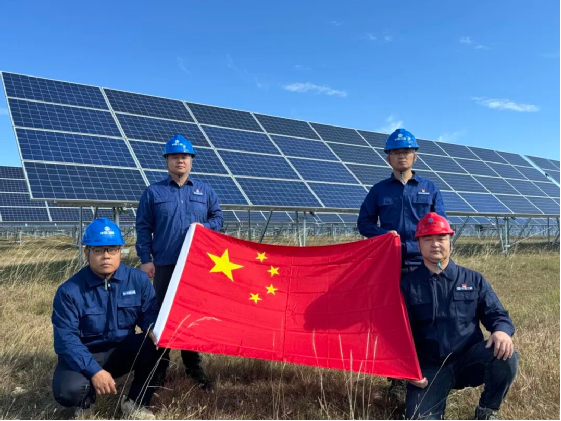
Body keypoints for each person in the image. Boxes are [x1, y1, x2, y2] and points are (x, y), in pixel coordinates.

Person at [401, 213, 519, 420]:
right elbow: (397, 333)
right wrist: (406, 369)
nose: (435, 244)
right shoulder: (406, 285)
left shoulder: (473, 279)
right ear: (418, 244)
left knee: (506, 355)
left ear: (450, 242)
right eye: (427, 239)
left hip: (469, 360)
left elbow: (497, 314)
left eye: (441, 238)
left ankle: (487, 410)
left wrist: (501, 330)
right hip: (429, 368)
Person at [357, 128, 447, 399]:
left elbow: (441, 226)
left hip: (424, 264)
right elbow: (364, 223)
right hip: (391, 266)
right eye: (395, 152)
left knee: (429, 318)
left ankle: (431, 372)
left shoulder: (429, 188)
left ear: (414, 156)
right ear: (388, 158)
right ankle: (397, 380)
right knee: (396, 323)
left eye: (406, 152)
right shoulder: (379, 190)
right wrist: (384, 234)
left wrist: (439, 258)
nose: (401, 156)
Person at [136, 134, 224, 390]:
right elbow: (143, 227)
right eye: (174, 157)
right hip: (164, 264)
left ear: (191, 160)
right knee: (162, 316)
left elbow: (218, 219)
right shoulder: (153, 192)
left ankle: (194, 368)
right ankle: (160, 368)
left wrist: (205, 226)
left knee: (191, 316)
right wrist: (145, 259)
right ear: (166, 161)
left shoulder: (205, 191)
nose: (180, 161)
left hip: (196, 266)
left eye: (184, 156)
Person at [52, 219, 162, 419]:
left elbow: (149, 313)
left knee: (158, 342)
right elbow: (65, 340)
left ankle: (135, 402)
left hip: (121, 350)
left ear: (120, 251)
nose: (106, 256)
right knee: (67, 391)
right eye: (98, 250)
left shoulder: (138, 280)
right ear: (86, 252)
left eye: (112, 249)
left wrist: (152, 326)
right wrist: (94, 371)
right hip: (86, 353)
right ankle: (86, 402)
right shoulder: (69, 291)